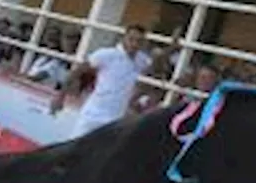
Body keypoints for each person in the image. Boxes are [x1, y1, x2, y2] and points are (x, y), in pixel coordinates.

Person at [50, 24, 183, 138]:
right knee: (74, 151)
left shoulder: (141, 60)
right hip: (92, 115)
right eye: (131, 39)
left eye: (139, 41)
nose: (134, 44)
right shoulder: (107, 54)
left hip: (115, 121)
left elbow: (156, 63)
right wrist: (60, 97)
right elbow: (77, 72)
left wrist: (172, 47)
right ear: (123, 38)